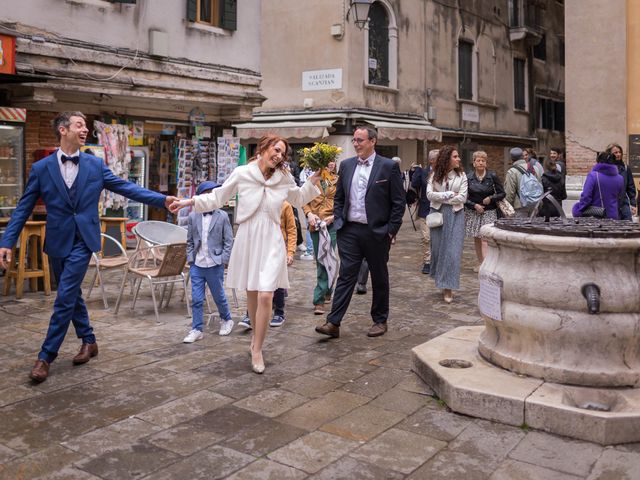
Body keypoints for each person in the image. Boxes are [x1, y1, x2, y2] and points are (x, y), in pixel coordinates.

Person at [0, 111, 177, 383]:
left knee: (64, 296)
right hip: (58, 241)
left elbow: (126, 188)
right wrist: (7, 241)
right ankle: (89, 341)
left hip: (84, 239)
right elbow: (23, 207)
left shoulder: (95, 165)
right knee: (71, 295)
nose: (85, 130)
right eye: (79, 125)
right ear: (63, 130)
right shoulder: (41, 168)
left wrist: (161, 200)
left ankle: (46, 356)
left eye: (86, 126)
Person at [170, 135, 320, 374]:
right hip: (248, 237)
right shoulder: (242, 173)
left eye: (283, 153)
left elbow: (299, 198)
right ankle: (253, 342)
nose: (279, 155)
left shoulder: (284, 177)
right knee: (252, 293)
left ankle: (258, 348)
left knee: (266, 296)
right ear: (264, 147)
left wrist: (312, 181)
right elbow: (217, 197)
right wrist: (188, 201)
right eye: (276, 149)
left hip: (271, 238)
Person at [315, 126, 405, 339]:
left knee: (379, 277)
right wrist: (339, 220)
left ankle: (380, 320)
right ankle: (333, 322)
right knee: (346, 276)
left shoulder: (388, 167)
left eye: (360, 140)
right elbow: (340, 198)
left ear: (372, 141)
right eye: (354, 140)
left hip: (377, 232)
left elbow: (398, 202)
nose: (355, 144)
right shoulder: (346, 165)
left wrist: (390, 231)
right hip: (350, 231)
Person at [183, 181, 234, 343]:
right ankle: (197, 328)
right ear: (200, 197)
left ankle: (226, 319)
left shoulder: (222, 216)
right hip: (197, 263)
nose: (210, 197)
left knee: (218, 295)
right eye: (207, 193)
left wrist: (223, 260)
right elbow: (190, 240)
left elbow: (228, 240)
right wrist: (191, 259)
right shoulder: (193, 216)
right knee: (197, 299)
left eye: (213, 194)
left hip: (215, 262)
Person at [427, 146, 468, 304]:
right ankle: (441, 279)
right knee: (438, 250)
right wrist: (450, 194)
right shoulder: (434, 175)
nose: (458, 159)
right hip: (437, 214)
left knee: (452, 252)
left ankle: (448, 287)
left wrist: (441, 197)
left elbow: (463, 198)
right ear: (447, 159)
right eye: (455, 156)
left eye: (458, 156)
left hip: (456, 215)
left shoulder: (462, 176)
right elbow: (429, 195)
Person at [303, 161, 338, 315]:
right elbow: (303, 200)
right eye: (327, 162)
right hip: (316, 225)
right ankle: (321, 296)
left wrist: (334, 216)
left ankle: (324, 292)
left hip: (331, 225)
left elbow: (343, 202)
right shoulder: (312, 180)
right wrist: (309, 214)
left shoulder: (337, 180)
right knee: (320, 260)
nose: (331, 164)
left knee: (329, 258)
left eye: (333, 162)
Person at [464, 151, 505, 271]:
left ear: (486, 163)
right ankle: (480, 262)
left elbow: (502, 193)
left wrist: (491, 198)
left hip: (489, 211)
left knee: (485, 239)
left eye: (483, 161)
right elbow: (464, 197)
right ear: (474, 163)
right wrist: (474, 205)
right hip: (474, 212)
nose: (481, 162)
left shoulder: (492, 176)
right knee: (477, 237)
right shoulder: (468, 177)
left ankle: (486, 266)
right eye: (478, 160)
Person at [572, 151, 624, 219]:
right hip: (613, 215)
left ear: (599, 161)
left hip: (597, 216)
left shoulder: (593, 176)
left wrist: (579, 209)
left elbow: (586, 196)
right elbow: (619, 198)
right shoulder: (620, 178)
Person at [410, 149, 438, 274]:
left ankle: (437, 261)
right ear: (432, 160)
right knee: (426, 237)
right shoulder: (423, 171)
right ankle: (427, 261)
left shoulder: (445, 172)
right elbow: (415, 184)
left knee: (438, 238)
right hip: (425, 209)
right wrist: (414, 171)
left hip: (440, 209)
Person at [271, 200, 297, 327]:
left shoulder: (286, 205)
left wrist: (290, 252)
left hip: (279, 247)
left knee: (278, 282)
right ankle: (250, 314)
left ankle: (279, 313)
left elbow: (291, 230)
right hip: (261, 247)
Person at [504, 147, 543, 218]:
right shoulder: (535, 168)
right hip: (534, 205)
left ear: (511, 159)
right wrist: (539, 203)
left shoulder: (512, 171)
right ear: (522, 156)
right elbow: (540, 188)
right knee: (534, 227)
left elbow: (509, 193)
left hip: (520, 207)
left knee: (520, 228)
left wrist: (509, 208)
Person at [606, 143, 637, 220]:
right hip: (609, 204)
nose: (618, 154)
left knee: (628, 226)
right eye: (615, 153)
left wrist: (633, 204)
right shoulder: (605, 169)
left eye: (620, 152)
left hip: (624, 204)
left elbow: (631, 188)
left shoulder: (626, 168)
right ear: (610, 154)